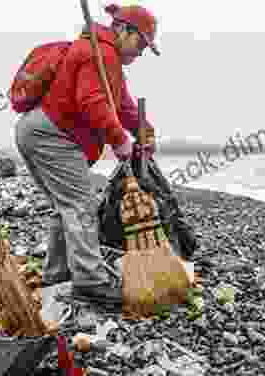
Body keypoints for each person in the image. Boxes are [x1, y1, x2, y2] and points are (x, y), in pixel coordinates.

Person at [14, 3, 158, 306]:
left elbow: (121, 104)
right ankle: (90, 281)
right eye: (141, 43)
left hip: (39, 131)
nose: (142, 51)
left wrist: (143, 129)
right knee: (80, 205)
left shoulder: (107, 57)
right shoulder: (100, 53)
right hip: (52, 135)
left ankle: (57, 276)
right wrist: (120, 141)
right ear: (123, 30)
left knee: (64, 206)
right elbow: (92, 102)